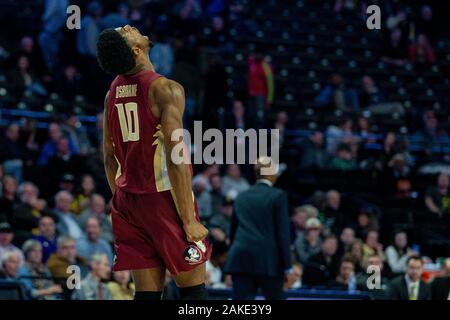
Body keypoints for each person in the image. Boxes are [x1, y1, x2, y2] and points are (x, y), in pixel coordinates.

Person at [96, 25, 211, 300]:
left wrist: (123, 199)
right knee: (193, 292)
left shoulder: (112, 93)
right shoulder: (165, 89)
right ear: (136, 49)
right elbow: (177, 157)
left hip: (127, 200)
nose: (127, 26)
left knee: (146, 295)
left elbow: (109, 156)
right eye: (127, 32)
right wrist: (188, 219)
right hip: (162, 198)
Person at [225, 157, 291, 300]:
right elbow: (283, 233)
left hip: (241, 259)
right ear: (272, 173)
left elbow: (233, 232)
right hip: (269, 261)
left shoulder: (241, 196)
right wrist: (287, 265)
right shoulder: (278, 195)